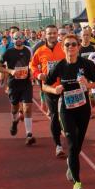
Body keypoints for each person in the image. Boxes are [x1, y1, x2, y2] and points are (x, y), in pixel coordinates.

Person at [43, 33, 95, 189]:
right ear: (63, 47)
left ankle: (71, 163)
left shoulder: (87, 64)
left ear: (78, 47)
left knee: (77, 146)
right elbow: (45, 85)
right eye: (67, 45)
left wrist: (88, 85)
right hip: (66, 110)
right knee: (71, 144)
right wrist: (55, 90)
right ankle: (77, 184)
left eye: (73, 44)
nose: (70, 47)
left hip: (83, 110)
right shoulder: (59, 66)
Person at [31, 25, 67, 157]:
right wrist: (38, 74)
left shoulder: (64, 47)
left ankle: (67, 132)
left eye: (54, 33)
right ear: (44, 35)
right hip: (49, 88)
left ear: (57, 34)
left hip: (65, 86)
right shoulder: (40, 50)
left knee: (66, 115)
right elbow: (32, 64)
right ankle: (58, 145)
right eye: (49, 33)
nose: (52, 35)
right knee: (54, 116)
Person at [0, 32, 35, 146]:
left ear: (23, 39)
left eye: (20, 37)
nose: (18, 39)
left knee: (27, 108)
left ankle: (29, 134)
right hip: (13, 84)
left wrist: (32, 73)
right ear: (12, 40)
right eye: (16, 38)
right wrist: (10, 71)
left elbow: (31, 64)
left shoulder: (28, 50)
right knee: (14, 108)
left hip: (26, 83)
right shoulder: (8, 52)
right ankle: (14, 121)